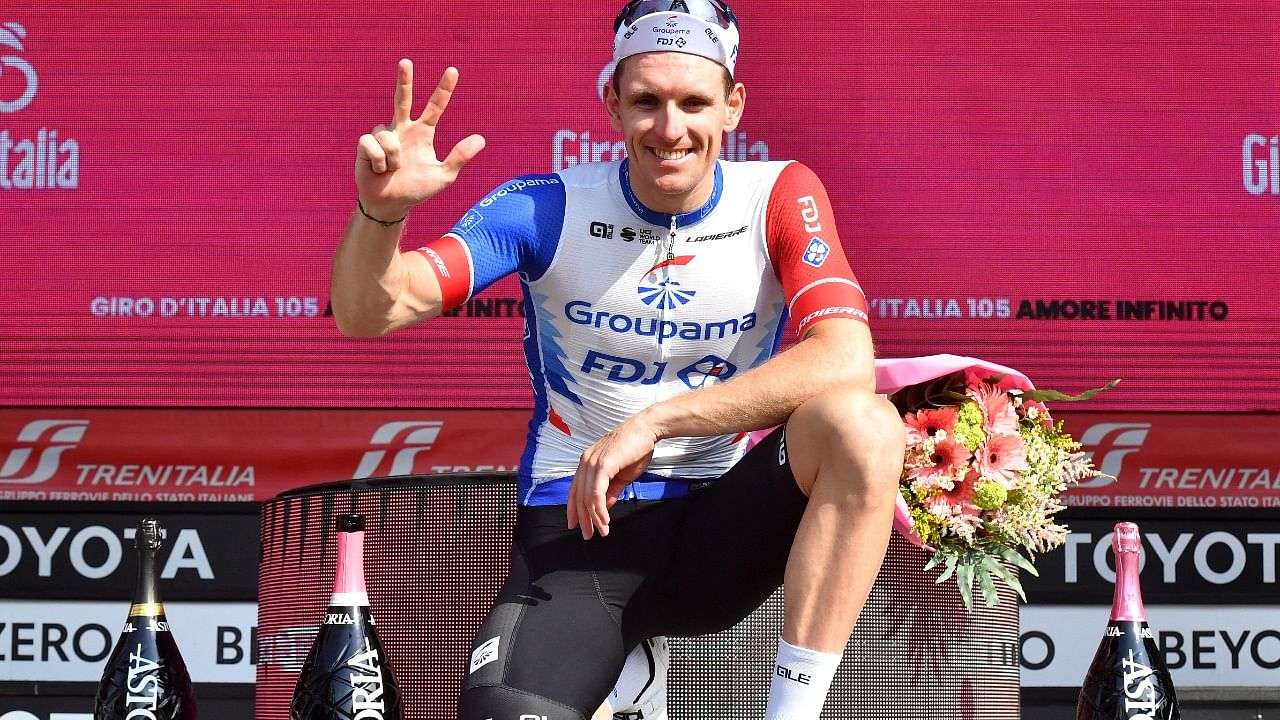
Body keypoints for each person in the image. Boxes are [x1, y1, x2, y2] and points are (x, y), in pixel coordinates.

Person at [329, 0, 905, 717]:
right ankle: (625, 677)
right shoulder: (544, 206)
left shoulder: (780, 196)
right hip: (579, 538)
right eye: (647, 102)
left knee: (864, 424)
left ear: (733, 105)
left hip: (717, 529)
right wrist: (380, 215)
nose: (671, 128)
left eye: (695, 102)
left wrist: (657, 422)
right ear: (611, 103)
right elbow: (368, 311)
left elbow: (846, 360)